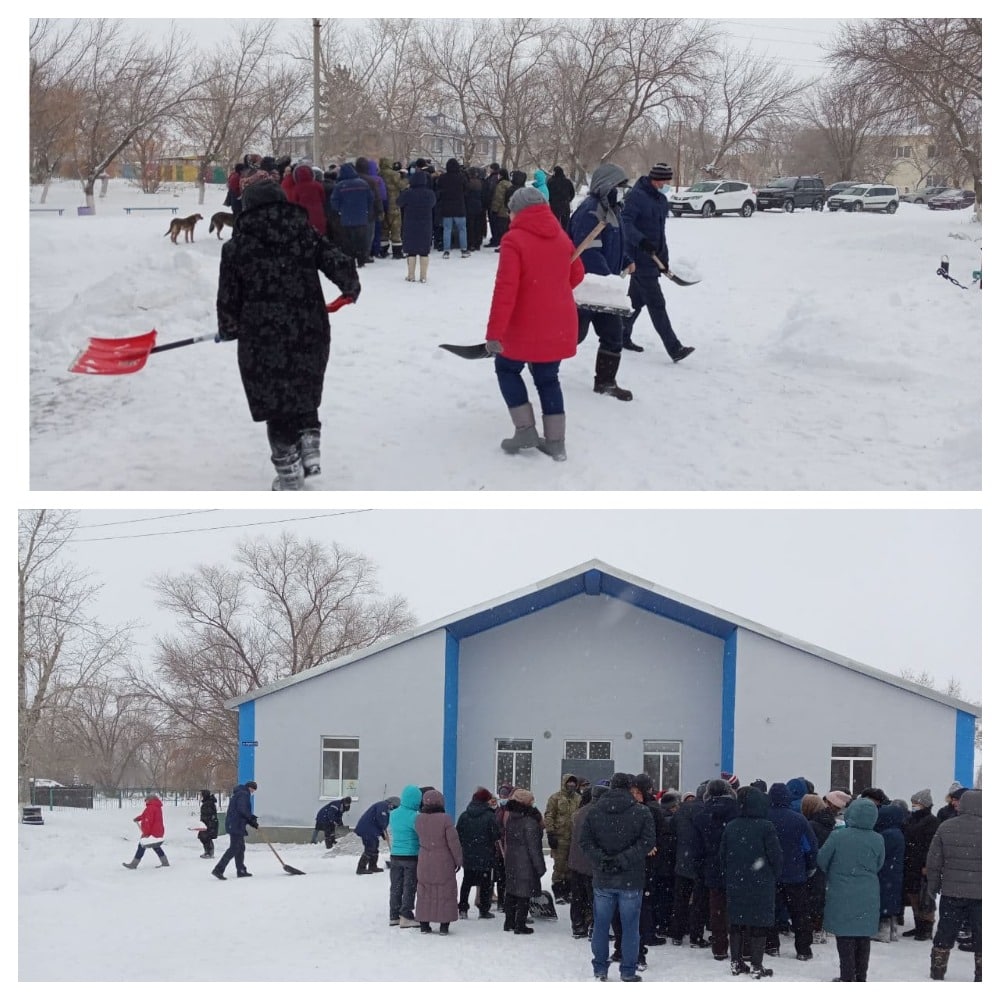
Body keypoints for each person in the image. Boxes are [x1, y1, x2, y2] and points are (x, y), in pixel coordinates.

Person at [216, 173, 361, 491]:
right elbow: (338, 261)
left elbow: (228, 297)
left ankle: (289, 473)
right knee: (303, 388)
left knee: (275, 403)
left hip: (262, 337)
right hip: (308, 326)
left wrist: (228, 327)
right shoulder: (304, 233)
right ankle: (309, 445)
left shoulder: (237, 247)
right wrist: (350, 287)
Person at [484, 186, 585, 462]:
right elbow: (577, 274)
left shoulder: (513, 240)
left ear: (518, 212)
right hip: (559, 322)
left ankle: (525, 430)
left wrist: (494, 334)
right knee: (548, 378)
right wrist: (552, 289)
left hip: (524, 324)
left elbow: (505, 290)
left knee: (507, 368)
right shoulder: (561, 237)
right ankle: (556, 442)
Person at [579, 772, 656, 982]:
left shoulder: (595, 811)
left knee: (601, 925)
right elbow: (647, 842)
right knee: (630, 927)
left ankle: (600, 968)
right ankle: (628, 970)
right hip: (631, 877)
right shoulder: (641, 812)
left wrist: (603, 860)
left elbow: (585, 842)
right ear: (630, 787)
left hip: (603, 877)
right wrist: (623, 859)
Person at [570, 162, 634, 402]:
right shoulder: (589, 211)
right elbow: (587, 251)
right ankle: (539, 362)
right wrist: (607, 278)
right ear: (607, 186)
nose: (622, 191)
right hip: (586, 286)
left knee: (613, 334)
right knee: (573, 336)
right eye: (619, 186)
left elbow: (614, 243)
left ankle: (605, 382)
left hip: (606, 290)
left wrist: (625, 260)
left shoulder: (613, 210)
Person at [620, 162, 695, 361]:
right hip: (638, 258)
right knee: (657, 303)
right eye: (663, 181)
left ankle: (621, 336)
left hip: (653, 258)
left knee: (635, 302)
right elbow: (625, 223)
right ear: (655, 179)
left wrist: (664, 259)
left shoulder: (661, 200)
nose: (665, 185)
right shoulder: (636, 197)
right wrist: (641, 241)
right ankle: (674, 348)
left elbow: (660, 234)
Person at [817, 795, 885, 982]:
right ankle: (860, 977)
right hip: (868, 892)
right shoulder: (878, 839)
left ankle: (847, 976)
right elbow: (879, 864)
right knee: (863, 935)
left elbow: (822, 859)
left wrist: (835, 871)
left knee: (845, 935)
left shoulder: (838, 836)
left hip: (842, 891)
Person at [719, 785, 783, 978]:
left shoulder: (731, 826)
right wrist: (773, 874)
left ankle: (736, 961)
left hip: (736, 880)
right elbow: (775, 856)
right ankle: (756, 964)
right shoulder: (766, 826)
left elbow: (722, 855)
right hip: (761, 882)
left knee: (736, 921)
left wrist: (729, 874)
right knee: (759, 922)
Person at [926, 788, 981, 982]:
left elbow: (934, 861)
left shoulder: (946, 827)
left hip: (952, 892)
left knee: (946, 930)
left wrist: (933, 886)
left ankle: (938, 969)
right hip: (982, 894)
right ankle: (982, 974)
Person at [765, 781, 819, 960]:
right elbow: (810, 847)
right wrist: (810, 866)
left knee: (771, 911)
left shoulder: (764, 818)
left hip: (770, 873)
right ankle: (803, 949)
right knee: (800, 913)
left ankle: (772, 945)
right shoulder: (799, 819)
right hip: (795, 873)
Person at [692, 778, 740, 962]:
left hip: (711, 865)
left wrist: (700, 867)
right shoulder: (738, 812)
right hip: (735, 866)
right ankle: (739, 946)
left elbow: (697, 848)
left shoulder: (702, 815)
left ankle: (719, 948)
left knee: (717, 909)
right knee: (736, 908)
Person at [414, 788, 463, 934]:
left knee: (424, 890)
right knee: (445, 890)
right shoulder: (445, 819)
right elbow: (453, 842)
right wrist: (458, 860)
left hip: (424, 859)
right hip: (443, 860)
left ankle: (424, 924)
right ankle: (444, 925)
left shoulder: (419, 819)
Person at [502, 787, 547, 934]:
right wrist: (540, 867)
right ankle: (520, 925)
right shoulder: (529, 821)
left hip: (512, 860)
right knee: (524, 894)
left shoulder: (511, 818)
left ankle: (509, 922)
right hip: (526, 862)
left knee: (511, 892)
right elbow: (534, 848)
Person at [455, 786, 501, 919]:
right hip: (485, 855)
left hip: (468, 855)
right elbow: (496, 835)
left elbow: (458, 834)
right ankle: (483, 909)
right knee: (485, 883)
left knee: (466, 882)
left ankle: (463, 908)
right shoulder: (490, 816)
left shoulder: (464, 815)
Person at [568, 783, 605, 938]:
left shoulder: (580, 812)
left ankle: (578, 925)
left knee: (578, 897)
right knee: (595, 898)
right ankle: (595, 927)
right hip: (591, 863)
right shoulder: (600, 812)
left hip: (576, 861)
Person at [902, 788, 940, 940]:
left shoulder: (932, 822)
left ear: (925, 804)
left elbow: (931, 846)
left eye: (916, 803)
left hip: (923, 865)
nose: (913, 806)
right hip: (911, 863)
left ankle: (926, 928)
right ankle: (918, 926)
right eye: (912, 803)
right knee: (914, 895)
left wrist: (927, 865)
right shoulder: (911, 819)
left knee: (926, 898)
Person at [544, 773, 583, 904]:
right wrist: (550, 833)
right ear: (564, 783)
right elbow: (549, 815)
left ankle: (569, 892)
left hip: (574, 839)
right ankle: (559, 893)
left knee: (572, 867)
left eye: (573, 783)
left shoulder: (579, 799)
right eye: (569, 782)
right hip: (560, 838)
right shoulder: (555, 798)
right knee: (560, 867)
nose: (571, 785)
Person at [388, 785, 422, 928]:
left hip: (395, 855)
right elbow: (420, 834)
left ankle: (394, 915)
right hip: (411, 856)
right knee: (409, 886)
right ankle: (406, 915)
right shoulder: (415, 816)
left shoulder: (393, 814)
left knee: (396, 886)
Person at [329, 162, 374, 268]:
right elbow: (370, 198)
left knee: (347, 241)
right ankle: (361, 259)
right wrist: (366, 209)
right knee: (361, 240)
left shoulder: (340, 186)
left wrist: (339, 210)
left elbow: (334, 201)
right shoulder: (363, 183)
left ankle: (350, 259)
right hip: (361, 217)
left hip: (346, 218)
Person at [873, 800, 906, 942]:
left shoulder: (887, 834)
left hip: (885, 872)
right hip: (893, 872)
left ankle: (883, 932)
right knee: (891, 900)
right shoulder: (897, 832)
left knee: (884, 900)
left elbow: (879, 853)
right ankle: (892, 930)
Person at [212, 780, 259, 880]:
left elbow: (241, 812)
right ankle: (218, 869)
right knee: (234, 848)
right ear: (250, 787)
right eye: (253, 790)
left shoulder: (240, 793)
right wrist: (251, 818)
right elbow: (242, 810)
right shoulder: (243, 794)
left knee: (240, 848)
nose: (252, 792)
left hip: (236, 824)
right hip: (235, 825)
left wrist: (252, 821)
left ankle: (241, 870)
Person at [396, 168, 436, 283]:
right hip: (425, 224)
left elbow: (399, 202)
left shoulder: (408, 193)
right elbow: (433, 204)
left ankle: (411, 275)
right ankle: (423, 276)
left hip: (410, 224)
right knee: (424, 251)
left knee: (411, 250)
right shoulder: (430, 193)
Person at [354, 796, 400, 874]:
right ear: (392, 804)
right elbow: (381, 818)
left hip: (371, 830)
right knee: (370, 848)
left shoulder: (385, 807)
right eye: (394, 807)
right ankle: (361, 868)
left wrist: (382, 833)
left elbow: (380, 821)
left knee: (375, 846)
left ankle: (373, 866)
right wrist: (383, 827)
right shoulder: (383, 805)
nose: (393, 810)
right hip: (367, 829)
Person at [122, 794, 169, 869]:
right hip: (158, 831)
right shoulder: (157, 807)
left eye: (146, 800)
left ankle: (134, 864)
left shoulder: (150, 808)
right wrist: (138, 818)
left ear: (149, 800)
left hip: (151, 832)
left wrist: (146, 833)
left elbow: (147, 821)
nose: (145, 802)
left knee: (142, 845)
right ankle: (165, 862)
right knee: (156, 846)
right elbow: (146, 816)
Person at [435, 157, 470, 258]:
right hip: (459, 207)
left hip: (446, 207)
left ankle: (446, 251)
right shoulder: (461, 177)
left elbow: (439, 190)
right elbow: (466, 190)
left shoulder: (442, 178)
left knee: (447, 229)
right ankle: (464, 250)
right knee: (462, 229)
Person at [548, 165, 576, 232]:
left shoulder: (550, 182)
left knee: (555, 223)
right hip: (565, 205)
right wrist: (568, 200)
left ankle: (555, 235)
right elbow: (572, 193)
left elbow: (548, 193)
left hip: (554, 206)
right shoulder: (567, 182)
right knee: (565, 224)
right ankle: (565, 235)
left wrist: (551, 200)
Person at [197, 789, 219, 859]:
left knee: (206, 837)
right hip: (205, 823)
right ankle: (207, 852)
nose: (200, 796)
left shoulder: (208, 803)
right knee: (203, 837)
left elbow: (209, 814)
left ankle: (210, 853)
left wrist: (207, 823)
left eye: (201, 795)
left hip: (209, 824)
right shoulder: (207, 802)